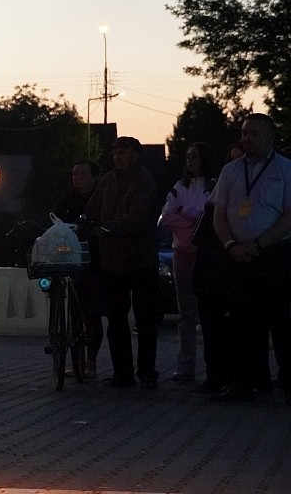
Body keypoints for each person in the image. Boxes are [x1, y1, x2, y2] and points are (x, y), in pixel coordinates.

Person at [208, 113, 291, 404]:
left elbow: (288, 216)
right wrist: (231, 245)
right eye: (244, 134)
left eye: (255, 134)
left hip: (273, 254)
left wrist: (259, 243)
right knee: (241, 321)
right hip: (237, 254)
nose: (248, 139)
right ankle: (243, 381)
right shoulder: (231, 171)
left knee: (281, 320)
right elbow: (218, 214)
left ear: (271, 137)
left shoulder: (285, 170)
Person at [83, 136, 161, 388]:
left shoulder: (144, 180)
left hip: (140, 261)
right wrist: (84, 222)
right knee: (116, 322)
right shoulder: (106, 180)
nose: (118, 157)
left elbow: (137, 218)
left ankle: (147, 373)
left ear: (135, 155)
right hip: (112, 262)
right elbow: (92, 208)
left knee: (145, 321)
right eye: (115, 152)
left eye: (123, 153)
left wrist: (107, 229)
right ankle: (122, 373)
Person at [158, 143, 217, 383]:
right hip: (182, 253)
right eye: (188, 157)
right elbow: (166, 217)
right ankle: (186, 365)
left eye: (195, 156)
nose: (190, 161)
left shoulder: (214, 185)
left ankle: (214, 366)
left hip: (207, 254)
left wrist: (186, 216)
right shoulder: (179, 187)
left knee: (210, 311)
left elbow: (213, 215)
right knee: (186, 312)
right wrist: (192, 224)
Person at [50, 159, 103, 377]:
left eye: (82, 174)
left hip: (93, 260)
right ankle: (74, 357)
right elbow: (54, 221)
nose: (77, 178)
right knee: (73, 309)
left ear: (93, 177)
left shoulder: (100, 199)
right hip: (69, 259)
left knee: (92, 312)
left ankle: (90, 361)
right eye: (74, 174)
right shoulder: (66, 200)